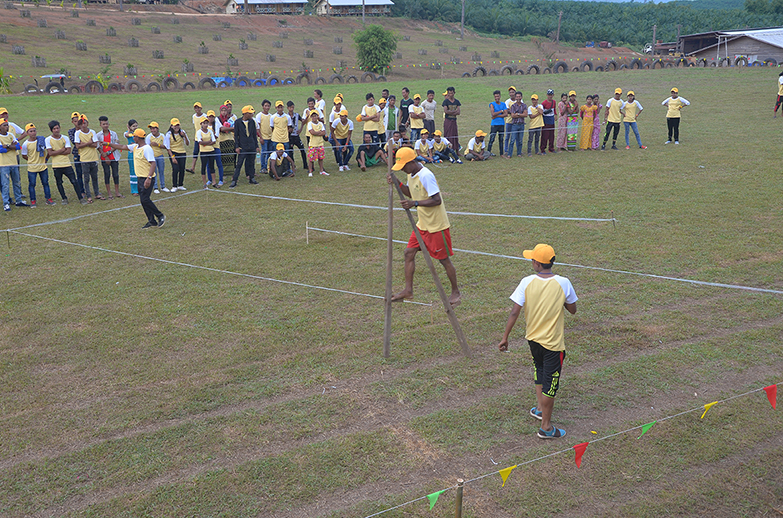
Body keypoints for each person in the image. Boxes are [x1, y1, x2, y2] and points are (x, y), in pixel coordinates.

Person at [497, 243, 577, 439]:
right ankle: (546, 428)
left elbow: (515, 311)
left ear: (537, 264)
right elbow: (573, 309)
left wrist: (505, 337)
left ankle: (540, 409)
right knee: (551, 383)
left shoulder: (526, 282)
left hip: (533, 340)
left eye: (532, 259)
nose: (531, 262)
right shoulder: (564, 283)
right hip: (553, 345)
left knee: (539, 370)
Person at [387, 146, 461, 308]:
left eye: (404, 166)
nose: (403, 170)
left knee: (443, 260)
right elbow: (410, 193)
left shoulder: (426, 175)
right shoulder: (412, 174)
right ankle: (408, 290)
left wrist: (415, 203)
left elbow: (436, 200)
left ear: (412, 162)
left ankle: (456, 291)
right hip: (422, 225)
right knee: (408, 253)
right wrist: (397, 183)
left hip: (437, 226)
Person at [109, 128, 165, 229]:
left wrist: (148, 178)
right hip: (140, 178)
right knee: (143, 200)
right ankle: (151, 220)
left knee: (145, 199)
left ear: (138, 138)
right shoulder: (135, 147)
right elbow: (122, 146)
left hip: (147, 178)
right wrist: (108, 144)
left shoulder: (146, 149)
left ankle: (160, 215)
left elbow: (153, 163)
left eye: (134, 136)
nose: (133, 138)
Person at [45, 120, 86, 205]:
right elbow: (50, 153)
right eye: (54, 129)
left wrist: (56, 151)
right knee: (59, 182)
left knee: (74, 181)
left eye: (57, 128)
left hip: (66, 164)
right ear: (51, 130)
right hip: (56, 165)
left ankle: (80, 198)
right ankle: (64, 198)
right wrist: (62, 149)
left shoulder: (65, 138)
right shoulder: (48, 139)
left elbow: (68, 151)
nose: (56, 130)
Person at [21, 123, 55, 206]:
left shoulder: (42, 140)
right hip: (32, 168)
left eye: (34, 131)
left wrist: (46, 159)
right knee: (32, 184)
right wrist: (31, 161)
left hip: (43, 167)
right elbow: (24, 155)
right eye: (31, 131)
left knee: (45, 183)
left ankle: (48, 199)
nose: (33, 133)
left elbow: (49, 151)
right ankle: (33, 200)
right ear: (27, 133)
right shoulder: (25, 144)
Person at [74, 115, 102, 202]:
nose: (83, 125)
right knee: (86, 178)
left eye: (84, 123)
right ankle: (88, 195)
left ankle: (97, 193)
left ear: (87, 123)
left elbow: (95, 144)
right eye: (81, 123)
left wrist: (85, 144)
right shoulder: (77, 133)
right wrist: (89, 142)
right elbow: (78, 146)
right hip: (84, 159)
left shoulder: (92, 132)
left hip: (93, 158)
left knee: (94, 177)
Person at [231, 105, 259, 187]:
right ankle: (234, 180)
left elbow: (254, 135)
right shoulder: (238, 122)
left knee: (251, 162)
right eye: (250, 113)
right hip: (242, 147)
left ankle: (251, 178)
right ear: (245, 113)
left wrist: (256, 145)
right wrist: (237, 146)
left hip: (251, 145)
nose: (252, 115)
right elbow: (236, 135)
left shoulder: (252, 122)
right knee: (239, 164)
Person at [96, 115, 123, 199]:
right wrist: (103, 154)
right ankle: (109, 193)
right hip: (104, 158)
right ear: (100, 125)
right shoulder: (98, 135)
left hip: (114, 157)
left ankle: (117, 192)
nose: (105, 125)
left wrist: (108, 152)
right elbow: (97, 146)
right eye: (103, 124)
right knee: (107, 174)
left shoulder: (113, 134)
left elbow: (116, 145)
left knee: (115, 174)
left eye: (106, 124)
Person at [0, 119, 23, 211]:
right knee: (5, 184)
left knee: (16, 182)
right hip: (4, 164)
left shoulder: (11, 135)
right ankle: (6, 203)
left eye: (7, 125)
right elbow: (1, 150)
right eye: (4, 125)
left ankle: (19, 200)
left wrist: (8, 146)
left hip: (14, 162)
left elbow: (19, 147)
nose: (7, 127)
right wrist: (11, 147)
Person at [165, 118, 190, 191]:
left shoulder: (182, 132)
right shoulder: (168, 134)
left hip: (182, 152)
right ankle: (174, 186)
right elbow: (168, 148)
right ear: (171, 126)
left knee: (182, 169)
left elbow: (187, 143)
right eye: (175, 125)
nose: (176, 127)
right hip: (173, 153)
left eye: (178, 125)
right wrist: (172, 157)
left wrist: (184, 136)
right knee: (175, 169)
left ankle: (180, 185)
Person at [145, 121, 169, 192]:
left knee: (161, 171)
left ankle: (163, 186)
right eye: (151, 129)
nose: (152, 130)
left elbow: (165, 146)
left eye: (154, 128)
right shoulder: (149, 137)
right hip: (152, 157)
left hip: (160, 155)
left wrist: (158, 145)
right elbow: (146, 147)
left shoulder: (162, 136)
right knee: (153, 172)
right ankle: (155, 187)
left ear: (157, 128)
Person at [195, 116, 217, 189]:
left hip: (211, 150)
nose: (206, 125)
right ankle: (204, 184)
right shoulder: (199, 132)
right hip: (203, 151)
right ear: (201, 124)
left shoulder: (210, 131)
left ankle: (214, 182)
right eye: (204, 123)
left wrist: (206, 143)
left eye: (207, 123)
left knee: (212, 166)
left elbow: (213, 141)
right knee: (203, 167)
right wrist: (208, 142)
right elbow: (200, 142)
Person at [67, 111, 85, 196]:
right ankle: (81, 191)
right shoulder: (71, 131)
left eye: (78, 121)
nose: (77, 123)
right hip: (77, 153)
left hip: (86, 153)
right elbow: (75, 142)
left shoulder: (85, 130)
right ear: (72, 122)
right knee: (79, 173)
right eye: (75, 121)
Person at [206, 110, 225, 187]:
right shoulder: (206, 125)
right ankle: (210, 179)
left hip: (215, 147)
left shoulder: (216, 124)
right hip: (208, 148)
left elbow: (216, 136)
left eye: (212, 117)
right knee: (209, 165)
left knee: (219, 163)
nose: (211, 118)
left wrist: (208, 141)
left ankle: (221, 179)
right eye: (209, 117)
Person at [217, 102, 236, 175]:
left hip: (230, 139)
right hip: (222, 140)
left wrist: (227, 128)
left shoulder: (230, 118)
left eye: (225, 110)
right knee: (223, 158)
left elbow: (235, 129)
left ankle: (231, 173)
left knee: (231, 157)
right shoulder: (218, 119)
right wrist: (229, 128)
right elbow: (221, 129)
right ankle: (223, 174)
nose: (224, 112)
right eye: (222, 110)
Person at [306, 111, 328, 177]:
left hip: (320, 143)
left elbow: (324, 132)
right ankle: (310, 171)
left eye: (315, 116)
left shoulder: (321, 123)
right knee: (311, 158)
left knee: (321, 158)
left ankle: (321, 170)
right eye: (313, 116)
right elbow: (312, 132)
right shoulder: (310, 124)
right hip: (313, 144)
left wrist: (317, 133)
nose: (314, 117)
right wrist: (319, 132)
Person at [506, 91, 527, 158]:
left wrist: (517, 114)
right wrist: (521, 114)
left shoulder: (524, 105)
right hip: (515, 124)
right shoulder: (513, 106)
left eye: (519, 96)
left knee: (520, 140)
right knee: (512, 140)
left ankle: (519, 153)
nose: (518, 98)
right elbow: (512, 115)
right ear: (515, 97)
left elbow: (525, 114)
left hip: (521, 124)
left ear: (521, 97)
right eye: (517, 96)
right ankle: (509, 154)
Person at [287, 101, 307, 169]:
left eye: (292, 107)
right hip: (290, 136)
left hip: (296, 136)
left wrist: (301, 129)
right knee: (291, 152)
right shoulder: (286, 116)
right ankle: (293, 165)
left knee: (302, 149)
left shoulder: (297, 115)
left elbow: (303, 121)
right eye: (290, 107)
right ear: (287, 108)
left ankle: (305, 165)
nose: (291, 109)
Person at [255, 100, 273, 176]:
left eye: (268, 106)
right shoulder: (259, 115)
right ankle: (263, 167)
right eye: (265, 106)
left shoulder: (271, 116)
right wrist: (260, 137)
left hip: (271, 137)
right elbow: (258, 127)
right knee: (264, 153)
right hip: (264, 137)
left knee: (270, 153)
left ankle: (269, 166)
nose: (267, 107)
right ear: (263, 106)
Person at [442, 87, 461, 157]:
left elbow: (458, 112)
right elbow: (446, 111)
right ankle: (446, 151)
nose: (450, 94)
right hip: (448, 121)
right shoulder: (445, 102)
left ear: (454, 93)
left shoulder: (457, 102)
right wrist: (454, 112)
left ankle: (457, 151)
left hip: (454, 121)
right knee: (447, 135)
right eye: (449, 93)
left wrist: (451, 112)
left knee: (455, 135)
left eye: (452, 93)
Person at [187, 102, 205, 174]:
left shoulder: (205, 116)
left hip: (203, 138)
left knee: (204, 153)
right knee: (195, 153)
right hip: (197, 138)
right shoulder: (194, 116)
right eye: (195, 108)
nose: (197, 109)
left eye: (198, 108)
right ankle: (192, 168)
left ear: (201, 108)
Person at [488, 90, 506, 157]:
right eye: (495, 96)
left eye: (498, 96)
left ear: (500, 96)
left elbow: (506, 114)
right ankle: (488, 153)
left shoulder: (503, 104)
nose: (496, 98)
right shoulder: (492, 104)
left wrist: (496, 115)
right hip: (494, 124)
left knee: (501, 139)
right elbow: (493, 114)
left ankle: (501, 154)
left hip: (501, 124)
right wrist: (501, 111)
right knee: (492, 139)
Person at [124, 119, 139, 196]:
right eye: (133, 126)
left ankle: (140, 188)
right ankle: (134, 190)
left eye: (136, 126)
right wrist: (129, 130)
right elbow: (127, 135)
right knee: (133, 171)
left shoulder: (139, 133)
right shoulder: (127, 133)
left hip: (139, 154)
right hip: (131, 154)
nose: (135, 127)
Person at [540, 89, 557, 154]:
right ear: (547, 95)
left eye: (551, 95)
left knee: (551, 135)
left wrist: (555, 115)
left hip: (551, 120)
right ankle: (543, 149)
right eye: (549, 95)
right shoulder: (544, 103)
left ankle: (551, 148)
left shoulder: (554, 102)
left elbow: (554, 109)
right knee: (545, 135)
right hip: (546, 120)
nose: (550, 96)